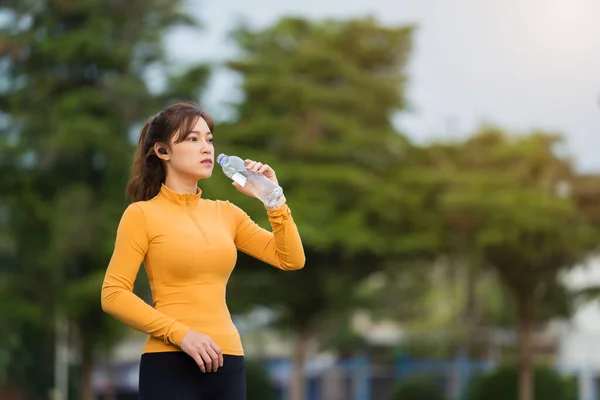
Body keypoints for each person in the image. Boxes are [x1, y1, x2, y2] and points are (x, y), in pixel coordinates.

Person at [100, 101, 305, 400]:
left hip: (228, 359)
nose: (206, 148)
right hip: (170, 361)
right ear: (163, 151)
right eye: (192, 139)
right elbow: (113, 294)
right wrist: (182, 335)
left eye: (209, 139)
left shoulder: (227, 213)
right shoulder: (141, 215)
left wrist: (274, 200)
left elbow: (291, 259)